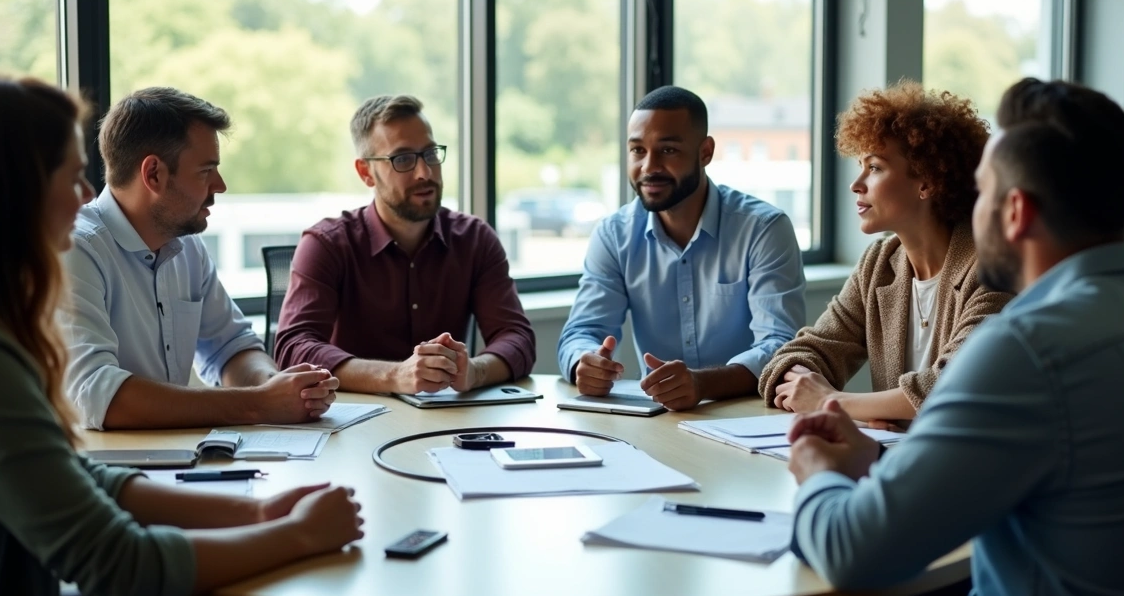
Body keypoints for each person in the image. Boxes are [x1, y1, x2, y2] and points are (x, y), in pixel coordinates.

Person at [0, 76, 364, 596]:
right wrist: (298, 536)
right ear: (13, 197)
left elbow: (80, 479)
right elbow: (122, 566)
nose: (86, 194)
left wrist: (259, 513)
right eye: (72, 176)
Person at [787, 78, 1124, 596]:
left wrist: (816, 469)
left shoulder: (1025, 350)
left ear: (1014, 212)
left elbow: (851, 552)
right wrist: (877, 461)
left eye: (983, 190)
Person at [62, 87, 336, 430]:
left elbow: (231, 347)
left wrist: (277, 386)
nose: (220, 185)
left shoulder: (186, 247)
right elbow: (96, 394)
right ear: (154, 175)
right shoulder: (74, 250)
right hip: (104, 469)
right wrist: (260, 403)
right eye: (206, 171)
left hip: (173, 456)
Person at [759, 81, 1011, 425]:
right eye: (860, 165)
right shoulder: (881, 263)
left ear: (927, 181)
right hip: (896, 459)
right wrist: (805, 382)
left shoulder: (993, 268)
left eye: (875, 167)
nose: (856, 184)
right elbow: (805, 351)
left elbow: (955, 387)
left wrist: (831, 402)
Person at [557, 85, 806, 411]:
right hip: (658, 420)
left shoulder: (763, 229)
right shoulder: (614, 234)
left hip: (746, 414)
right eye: (637, 151)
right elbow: (582, 331)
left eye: (668, 150)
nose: (648, 166)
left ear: (705, 152)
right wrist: (583, 363)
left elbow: (780, 346)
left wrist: (702, 384)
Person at [274, 95, 536, 395]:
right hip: (355, 425)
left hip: (448, 423)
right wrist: (394, 376)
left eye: (430, 153)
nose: (424, 172)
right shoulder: (328, 244)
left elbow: (518, 338)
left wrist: (474, 372)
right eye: (403, 159)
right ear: (365, 173)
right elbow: (293, 348)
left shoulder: (475, 239)